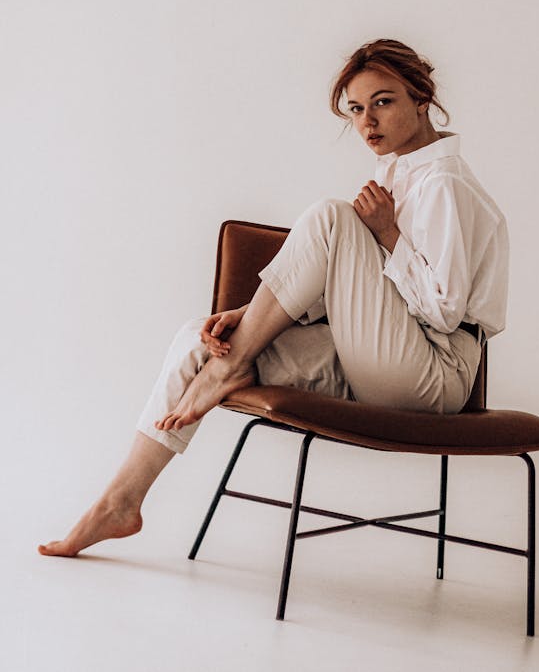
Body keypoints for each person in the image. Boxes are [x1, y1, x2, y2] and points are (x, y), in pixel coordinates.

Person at [38, 38, 509, 558]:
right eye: (355, 109)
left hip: (434, 374)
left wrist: (386, 235)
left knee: (333, 218)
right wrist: (246, 314)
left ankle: (230, 365)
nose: (367, 122)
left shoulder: (443, 182)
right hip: (386, 355)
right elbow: (367, 297)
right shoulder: (399, 174)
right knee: (197, 341)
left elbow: (443, 312)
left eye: (383, 101)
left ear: (422, 99)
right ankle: (119, 504)